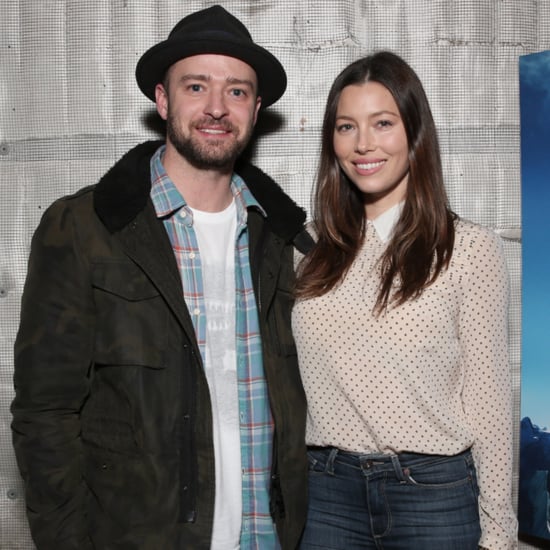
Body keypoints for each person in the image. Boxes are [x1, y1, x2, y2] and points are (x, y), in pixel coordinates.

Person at [11, 5, 309, 549]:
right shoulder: (84, 228)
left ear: (257, 108)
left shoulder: (285, 241)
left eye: (237, 91)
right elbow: (45, 413)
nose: (217, 107)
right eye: (196, 86)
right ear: (163, 99)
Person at [292, 51, 518, 549]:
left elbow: (490, 401)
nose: (363, 143)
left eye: (383, 123)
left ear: (414, 134)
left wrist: (499, 532)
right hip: (327, 496)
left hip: (433, 496)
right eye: (346, 127)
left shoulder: (469, 250)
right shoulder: (306, 248)